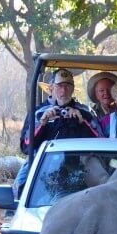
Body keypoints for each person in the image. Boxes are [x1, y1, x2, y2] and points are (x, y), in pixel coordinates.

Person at [14, 68, 99, 197]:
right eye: (59, 86)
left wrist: (82, 122)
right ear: (51, 88)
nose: (64, 90)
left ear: (73, 88)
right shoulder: (38, 112)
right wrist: (42, 123)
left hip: (79, 164)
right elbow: (26, 146)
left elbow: (100, 141)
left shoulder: (85, 111)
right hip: (43, 163)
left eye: (68, 85)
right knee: (19, 190)